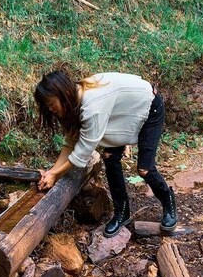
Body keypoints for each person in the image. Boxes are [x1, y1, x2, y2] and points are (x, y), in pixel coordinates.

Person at [34, 70, 177, 237]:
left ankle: (169, 205)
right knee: (109, 158)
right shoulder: (74, 99)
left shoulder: (92, 107)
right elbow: (70, 142)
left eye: (51, 104)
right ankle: (122, 213)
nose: (50, 109)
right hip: (120, 111)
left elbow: (83, 151)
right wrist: (52, 172)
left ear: (62, 93)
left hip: (148, 106)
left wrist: (55, 174)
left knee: (144, 169)